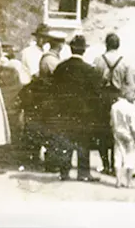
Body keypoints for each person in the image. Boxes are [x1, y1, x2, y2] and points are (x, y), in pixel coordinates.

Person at [50, 35, 105, 181]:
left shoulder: (61, 68)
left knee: (65, 141)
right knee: (83, 142)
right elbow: (96, 95)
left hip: (64, 111)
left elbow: (53, 91)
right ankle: (83, 173)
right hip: (84, 113)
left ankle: (64, 172)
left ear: (71, 48)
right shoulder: (89, 70)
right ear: (84, 51)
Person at [96, 33, 131, 175]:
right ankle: (116, 164)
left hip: (102, 98)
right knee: (117, 131)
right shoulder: (124, 62)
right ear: (118, 45)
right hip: (117, 97)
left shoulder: (98, 60)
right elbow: (129, 84)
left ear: (106, 44)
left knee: (102, 131)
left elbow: (94, 80)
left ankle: (106, 165)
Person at [109, 90, 135, 188]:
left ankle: (118, 181)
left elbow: (112, 122)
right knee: (130, 157)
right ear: (126, 94)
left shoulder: (114, 107)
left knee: (118, 156)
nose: (133, 96)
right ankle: (129, 182)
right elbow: (133, 125)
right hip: (129, 134)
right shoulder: (131, 107)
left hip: (118, 133)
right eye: (132, 94)